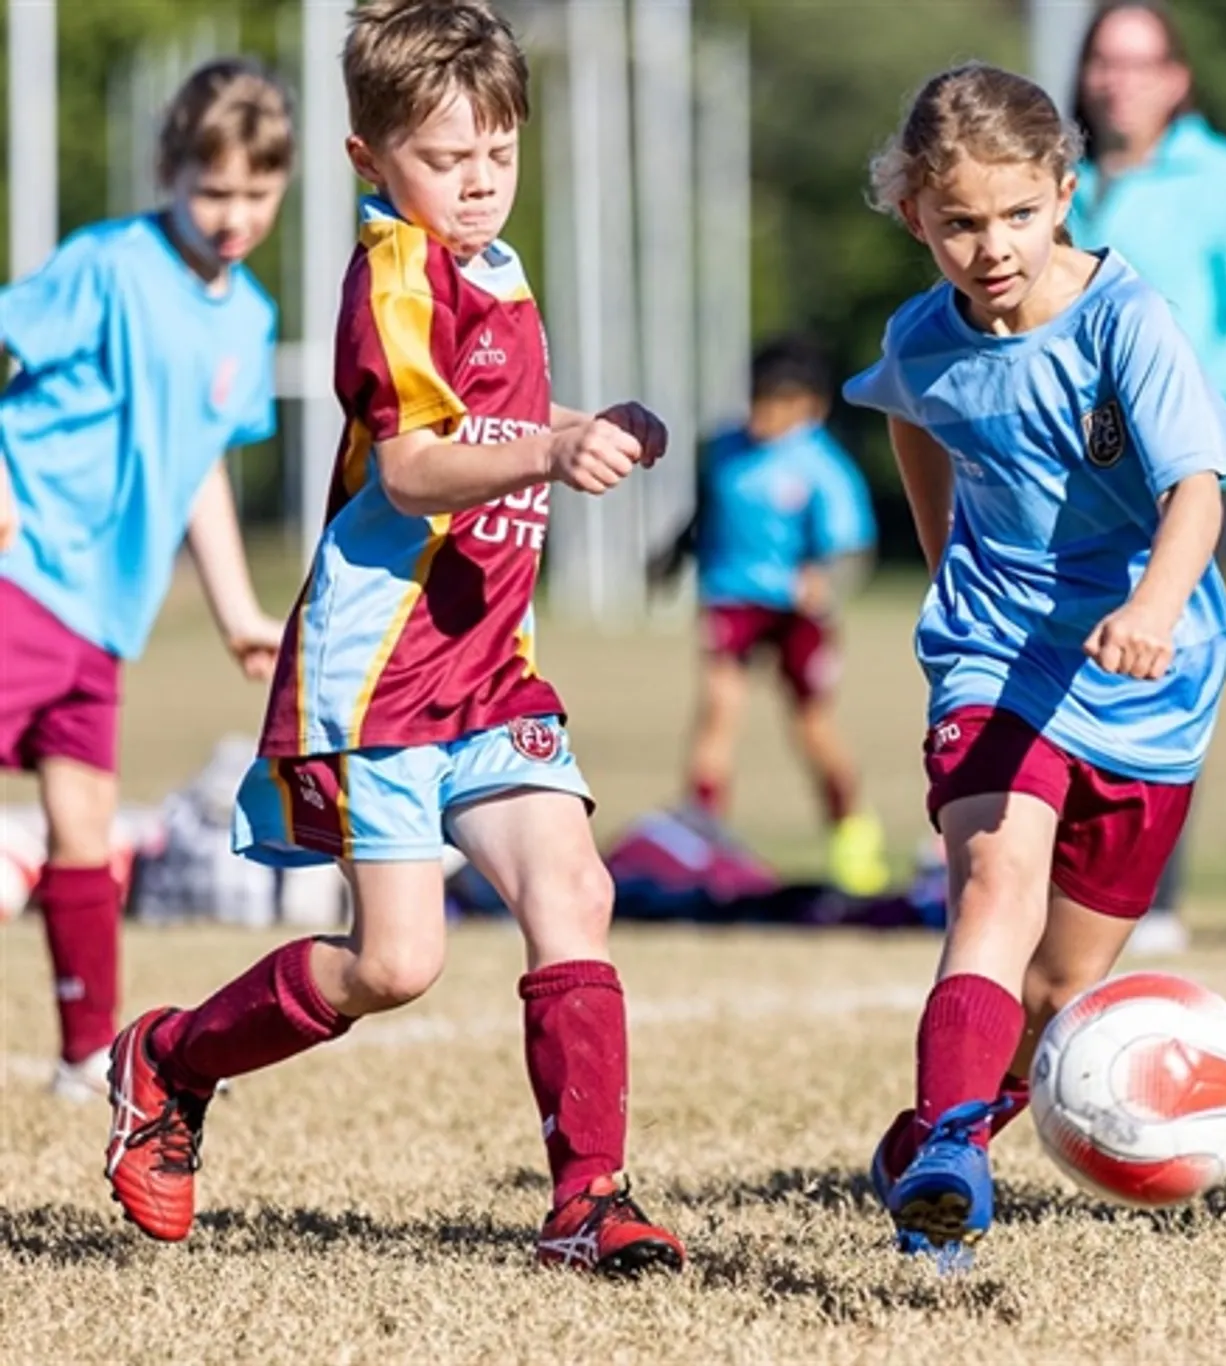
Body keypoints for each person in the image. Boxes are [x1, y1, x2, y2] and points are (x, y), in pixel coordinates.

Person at [100, 0, 686, 1275]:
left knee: (574, 890)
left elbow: (497, 418)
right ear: (369, 159)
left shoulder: (495, 266)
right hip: (380, 678)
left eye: (500, 154)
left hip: (492, 668)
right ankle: (172, 1058)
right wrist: (551, 453)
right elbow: (416, 466)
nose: (479, 183)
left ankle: (589, 1202)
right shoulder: (393, 274)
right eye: (446, 159)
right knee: (396, 960)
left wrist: (589, 423)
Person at [842, 62, 1226, 1258]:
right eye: (959, 223)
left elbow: (1194, 491)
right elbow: (911, 412)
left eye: (1017, 214)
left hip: (1147, 679)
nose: (991, 248)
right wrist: (948, 568)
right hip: (995, 655)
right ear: (914, 214)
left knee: (1058, 992)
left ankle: (925, 1141)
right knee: (993, 882)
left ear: (1063, 194)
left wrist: (1152, 607)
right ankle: (953, 1152)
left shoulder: (1125, 319)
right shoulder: (920, 335)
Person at [0, 58, 291, 1102]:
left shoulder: (248, 317)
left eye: (257, 192)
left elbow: (196, 463)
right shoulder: (108, 265)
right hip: (25, 573)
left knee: (84, 821)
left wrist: (237, 610)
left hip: (105, 612)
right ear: (169, 173)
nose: (234, 216)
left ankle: (86, 1054)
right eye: (212, 192)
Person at [1066, 0, 1226, 954]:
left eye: (1138, 63)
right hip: (1060, 486)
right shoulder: (1056, 181)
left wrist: (1176, 417)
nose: (1118, 81)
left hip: (1178, 489)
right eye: (1104, 61)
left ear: (1176, 78)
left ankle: (1150, 897)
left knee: (1156, 684)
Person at [646, 334, 888, 895]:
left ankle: (851, 831)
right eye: (756, 401)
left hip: (796, 611)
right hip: (731, 596)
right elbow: (705, 511)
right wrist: (674, 554)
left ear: (808, 407)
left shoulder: (822, 465)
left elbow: (851, 545)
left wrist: (824, 578)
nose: (762, 416)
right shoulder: (725, 448)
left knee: (811, 725)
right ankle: (700, 836)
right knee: (718, 709)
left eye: (776, 405)